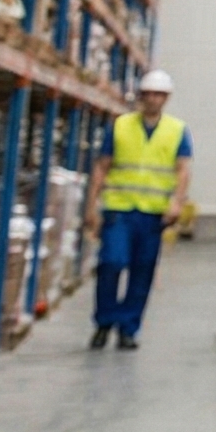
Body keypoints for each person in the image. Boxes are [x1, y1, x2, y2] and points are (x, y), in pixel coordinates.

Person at [89, 69, 190, 350]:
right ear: (141, 96)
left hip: (153, 214)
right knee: (111, 262)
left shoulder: (177, 130)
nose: (153, 100)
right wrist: (91, 206)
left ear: (166, 98)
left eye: (159, 95)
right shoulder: (121, 126)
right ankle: (104, 321)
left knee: (142, 271)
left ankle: (128, 328)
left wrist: (176, 202)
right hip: (119, 210)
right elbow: (102, 166)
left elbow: (183, 170)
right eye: (149, 94)